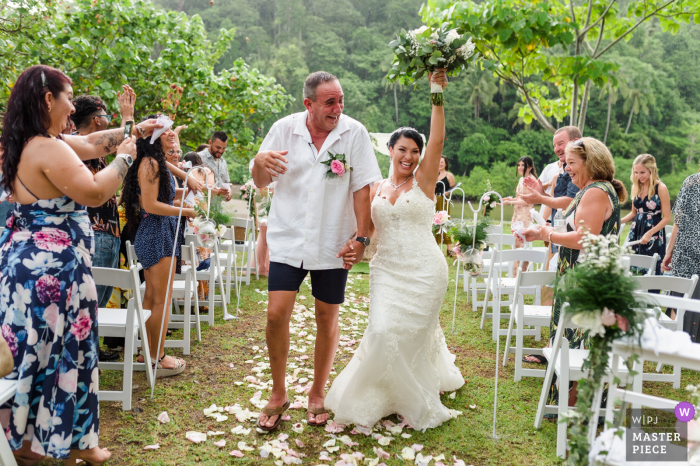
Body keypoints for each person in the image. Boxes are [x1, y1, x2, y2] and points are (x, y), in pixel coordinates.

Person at [0, 64, 160, 465]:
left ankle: (49, 441)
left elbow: (94, 145)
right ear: (48, 99)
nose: (73, 107)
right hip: (54, 272)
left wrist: (133, 128)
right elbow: (92, 191)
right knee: (64, 354)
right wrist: (124, 160)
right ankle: (51, 444)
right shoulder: (47, 147)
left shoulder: (30, 142)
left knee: (39, 353)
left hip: (30, 269)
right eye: (69, 97)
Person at [325, 70, 464, 430]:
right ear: (390, 149)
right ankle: (377, 395)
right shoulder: (375, 187)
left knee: (410, 335)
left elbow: (438, 138)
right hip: (386, 270)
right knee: (384, 331)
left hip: (425, 271)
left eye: (414, 152)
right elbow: (369, 231)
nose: (409, 156)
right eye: (402, 149)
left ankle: (408, 397)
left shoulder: (423, 180)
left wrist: (437, 92)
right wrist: (357, 246)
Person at [251, 71, 382, 431]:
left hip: (332, 242)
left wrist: (361, 237)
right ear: (308, 104)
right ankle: (278, 393)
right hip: (288, 238)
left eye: (341, 101)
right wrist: (258, 165)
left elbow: (362, 188)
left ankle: (317, 392)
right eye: (330, 102)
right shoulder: (283, 129)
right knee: (276, 315)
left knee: (327, 318)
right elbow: (261, 180)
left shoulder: (353, 133)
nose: (338, 108)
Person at [521, 137, 627, 408]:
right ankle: (574, 404)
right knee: (577, 339)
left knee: (578, 341)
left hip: (586, 280)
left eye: (571, 163)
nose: (566, 168)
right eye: (565, 163)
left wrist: (548, 233)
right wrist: (540, 233)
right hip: (579, 275)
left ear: (590, 162)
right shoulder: (591, 189)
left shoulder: (595, 191)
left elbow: (582, 239)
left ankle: (573, 406)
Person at [122, 116, 197, 378]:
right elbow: (151, 205)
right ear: (152, 137)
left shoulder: (153, 162)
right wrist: (185, 210)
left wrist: (181, 202)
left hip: (159, 231)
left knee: (153, 298)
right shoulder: (151, 163)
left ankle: (146, 352)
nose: (170, 133)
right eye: (163, 131)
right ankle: (158, 357)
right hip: (157, 232)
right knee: (160, 300)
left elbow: (160, 196)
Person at [72, 88, 136, 360]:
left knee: (99, 295)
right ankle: (81, 352)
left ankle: (90, 350)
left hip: (106, 229)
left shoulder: (85, 144)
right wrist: (128, 117)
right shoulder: (81, 144)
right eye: (107, 115)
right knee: (92, 296)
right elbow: (127, 141)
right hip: (95, 232)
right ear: (97, 120)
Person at [662, 170, 700, 343]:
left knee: (681, 291)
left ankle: (675, 339)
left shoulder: (691, 181)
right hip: (686, 251)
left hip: (686, 250)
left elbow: (678, 220)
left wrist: (669, 251)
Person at [621, 154, 670, 275]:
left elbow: (667, 218)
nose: (638, 176)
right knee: (631, 268)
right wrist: (616, 221)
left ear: (651, 170)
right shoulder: (636, 186)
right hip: (636, 231)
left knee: (650, 269)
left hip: (653, 234)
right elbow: (633, 213)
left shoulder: (661, 188)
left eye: (642, 172)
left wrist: (649, 233)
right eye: (636, 172)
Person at [502, 156, 538, 275]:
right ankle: (514, 273)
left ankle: (521, 274)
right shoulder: (521, 179)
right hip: (517, 214)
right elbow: (519, 198)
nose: (520, 168)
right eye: (519, 165)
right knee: (515, 243)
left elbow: (528, 201)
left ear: (530, 167)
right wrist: (510, 198)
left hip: (525, 216)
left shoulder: (531, 180)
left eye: (524, 165)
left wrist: (510, 202)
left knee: (522, 243)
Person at [199, 131, 233, 201]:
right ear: (210, 143)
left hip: (218, 208)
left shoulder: (223, 162)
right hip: (201, 206)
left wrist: (229, 192)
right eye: (218, 147)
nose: (220, 151)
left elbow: (226, 182)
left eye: (223, 148)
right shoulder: (199, 157)